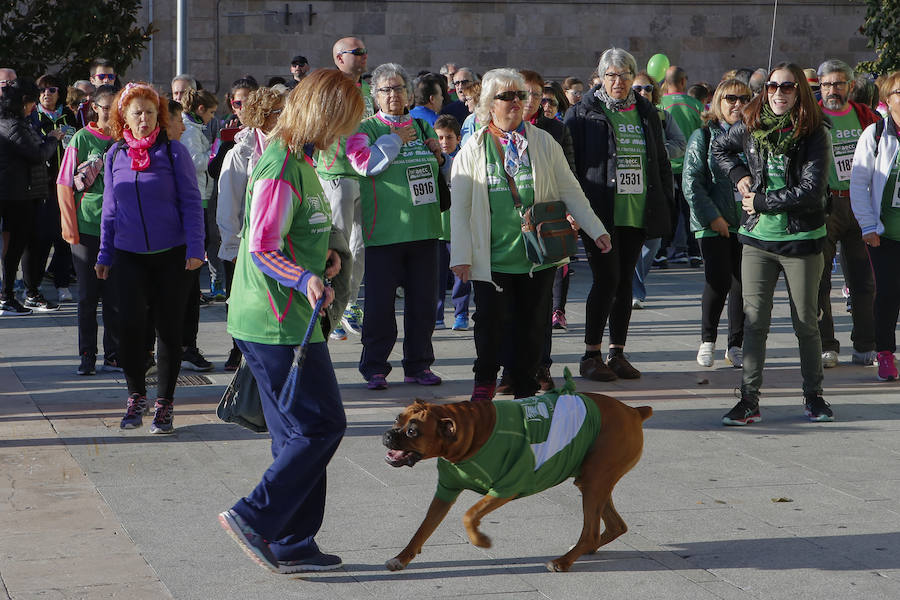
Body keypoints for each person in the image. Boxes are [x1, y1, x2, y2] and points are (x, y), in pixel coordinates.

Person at [218, 69, 363, 574]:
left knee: (297, 433)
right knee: (322, 426)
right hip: (274, 321)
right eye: (342, 121)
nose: (344, 134)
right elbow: (260, 247)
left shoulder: (301, 160)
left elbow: (300, 231)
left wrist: (324, 261)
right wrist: (304, 280)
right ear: (322, 115)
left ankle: (294, 542)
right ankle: (255, 518)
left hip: (289, 318)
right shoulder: (281, 163)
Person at [451, 68, 610, 401]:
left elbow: (571, 189)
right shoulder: (472, 149)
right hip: (491, 257)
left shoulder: (543, 142)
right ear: (488, 104)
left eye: (520, 96)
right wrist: (461, 257)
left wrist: (596, 229)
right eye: (506, 96)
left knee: (533, 326)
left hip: (538, 255)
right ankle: (484, 384)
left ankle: (525, 390)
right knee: (490, 325)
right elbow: (460, 209)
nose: (516, 102)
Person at [712, 62, 833, 425]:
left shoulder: (815, 132)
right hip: (758, 240)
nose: (779, 93)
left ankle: (814, 396)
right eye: (773, 87)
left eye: (788, 87)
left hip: (802, 240)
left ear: (800, 93)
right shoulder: (751, 124)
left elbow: (811, 192)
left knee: (806, 323)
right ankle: (749, 399)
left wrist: (761, 201)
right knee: (754, 323)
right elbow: (719, 147)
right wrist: (740, 175)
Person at [96, 82, 204, 433]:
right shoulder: (115, 155)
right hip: (128, 255)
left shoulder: (174, 153)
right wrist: (104, 253)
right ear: (124, 117)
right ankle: (135, 395)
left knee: (168, 330)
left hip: (172, 255)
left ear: (159, 116)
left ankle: (164, 403)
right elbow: (110, 210)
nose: (144, 119)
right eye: (137, 112)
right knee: (128, 327)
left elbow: (191, 202)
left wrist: (196, 248)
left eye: (150, 112)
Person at [566, 48, 674, 382]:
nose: (619, 81)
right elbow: (568, 164)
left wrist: (665, 203)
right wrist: (572, 208)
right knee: (607, 278)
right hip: (600, 210)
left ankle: (617, 352)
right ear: (600, 77)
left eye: (625, 74)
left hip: (637, 208)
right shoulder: (582, 113)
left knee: (626, 280)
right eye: (611, 75)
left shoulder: (645, 111)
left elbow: (660, 160)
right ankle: (591, 353)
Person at [345, 62, 448, 390]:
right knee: (379, 308)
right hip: (384, 234)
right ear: (375, 96)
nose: (393, 95)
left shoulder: (421, 125)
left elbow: (438, 164)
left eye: (399, 88)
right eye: (386, 89)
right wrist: (392, 140)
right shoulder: (364, 129)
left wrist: (439, 154)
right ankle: (374, 366)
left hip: (425, 229)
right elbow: (364, 165)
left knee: (422, 305)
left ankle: (419, 365)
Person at [815, 59, 879, 369]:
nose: (831, 90)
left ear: (850, 87)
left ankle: (866, 344)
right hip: (826, 206)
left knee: (863, 279)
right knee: (820, 280)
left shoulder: (864, 116)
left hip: (860, 203)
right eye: (826, 84)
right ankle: (827, 345)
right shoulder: (810, 117)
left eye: (838, 84)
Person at [683, 79, 751, 369]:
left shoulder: (752, 136)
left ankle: (735, 345)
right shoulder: (704, 136)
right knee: (719, 279)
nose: (737, 104)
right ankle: (707, 340)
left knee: (743, 286)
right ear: (718, 103)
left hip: (746, 220)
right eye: (730, 99)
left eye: (744, 99)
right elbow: (692, 182)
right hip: (712, 221)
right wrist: (713, 217)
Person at [217, 85, 286, 370]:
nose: (287, 117)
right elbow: (228, 204)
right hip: (245, 243)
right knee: (242, 301)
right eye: (282, 112)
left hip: (280, 241)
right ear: (266, 116)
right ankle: (239, 348)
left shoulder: (288, 148)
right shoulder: (239, 154)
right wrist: (232, 245)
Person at [56, 85, 120, 374]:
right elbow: (63, 183)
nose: (110, 112)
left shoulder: (125, 137)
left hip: (119, 227)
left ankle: (114, 354)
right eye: (105, 107)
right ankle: (87, 355)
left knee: (115, 295)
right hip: (86, 227)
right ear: (95, 107)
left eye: (115, 107)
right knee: (87, 295)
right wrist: (70, 228)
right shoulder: (82, 138)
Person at [317, 36, 373, 341]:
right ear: (340, 58)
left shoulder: (369, 88)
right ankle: (331, 306)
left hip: (366, 175)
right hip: (335, 173)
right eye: (358, 52)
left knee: (360, 244)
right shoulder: (330, 87)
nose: (364, 57)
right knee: (337, 245)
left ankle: (350, 304)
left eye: (365, 52)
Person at [849, 70, 900, 382]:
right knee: (889, 293)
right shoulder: (876, 134)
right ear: (887, 99)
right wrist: (868, 225)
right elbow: (859, 182)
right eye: (899, 92)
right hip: (886, 233)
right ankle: (884, 353)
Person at [0, 81, 62, 315]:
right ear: (21, 103)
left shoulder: (21, 123)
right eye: (31, 102)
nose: (34, 105)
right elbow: (37, 154)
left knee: (31, 244)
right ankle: (7, 295)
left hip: (27, 192)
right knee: (16, 246)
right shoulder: (12, 126)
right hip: (16, 195)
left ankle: (29, 292)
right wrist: (53, 139)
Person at [630, 71, 686, 308]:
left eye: (648, 89)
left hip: (657, 185)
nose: (643, 93)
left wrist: (657, 150)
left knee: (652, 241)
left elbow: (680, 143)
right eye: (638, 89)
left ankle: (633, 283)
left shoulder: (662, 116)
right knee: (630, 239)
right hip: (629, 187)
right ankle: (634, 290)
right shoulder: (621, 116)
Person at [26, 73, 79, 305]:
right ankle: (33, 287)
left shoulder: (68, 115)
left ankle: (62, 284)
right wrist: (50, 138)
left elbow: (77, 143)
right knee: (41, 238)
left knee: (65, 236)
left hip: (66, 184)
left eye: (52, 90)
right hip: (42, 185)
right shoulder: (33, 117)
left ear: (60, 93)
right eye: (43, 90)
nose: (47, 94)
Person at [178, 87, 219, 371]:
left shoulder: (192, 128)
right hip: (196, 199)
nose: (212, 117)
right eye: (212, 112)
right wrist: (215, 152)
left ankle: (186, 345)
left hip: (199, 198)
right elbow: (195, 164)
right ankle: (183, 347)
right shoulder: (190, 130)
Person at [658, 65, 705, 268]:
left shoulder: (659, 106)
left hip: (667, 165)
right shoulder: (696, 105)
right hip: (691, 167)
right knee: (690, 211)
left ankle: (661, 252)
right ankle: (694, 252)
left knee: (667, 211)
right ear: (684, 81)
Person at [432, 114, 470, 331]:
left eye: (449, 137)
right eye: (440, 137)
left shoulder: (464, 161)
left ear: (458, 138)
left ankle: (461, 314)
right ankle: (437, 315)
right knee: (435, 278)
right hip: (437, 229)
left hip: (458, 229)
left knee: (461, 276)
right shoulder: (431, 161)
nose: (444, 142)